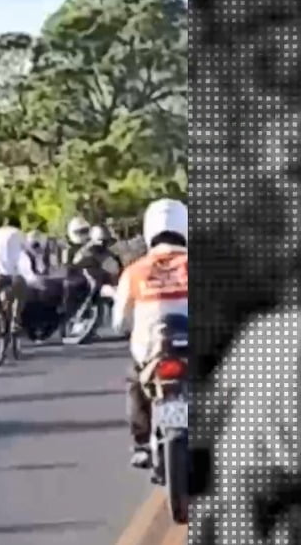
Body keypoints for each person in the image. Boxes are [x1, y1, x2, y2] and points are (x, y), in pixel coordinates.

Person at [113, 198, 188, 468]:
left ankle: (142, 444)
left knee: (135, 383)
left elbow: (119, 322)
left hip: (151, 354)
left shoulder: (134, 271)